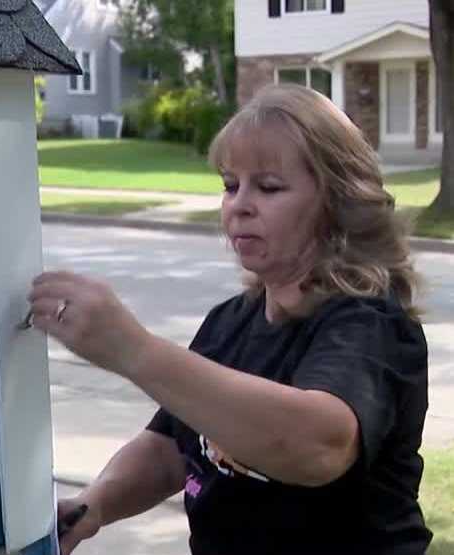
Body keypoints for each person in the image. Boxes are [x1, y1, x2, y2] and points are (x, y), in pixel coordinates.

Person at [30, 84, 432, 555]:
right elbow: (170, 448)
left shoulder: (369, 323)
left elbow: (317, 445)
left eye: (268, 187)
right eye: (229, 185)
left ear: (339, 203)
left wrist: (132, 349)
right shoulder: (231, 320)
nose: (239, 204)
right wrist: (93, 507)